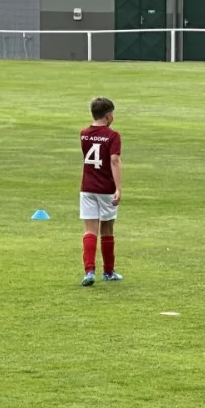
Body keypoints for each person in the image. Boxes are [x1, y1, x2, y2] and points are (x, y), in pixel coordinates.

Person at [79, 96, 122, 286]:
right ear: (109, 115)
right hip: (105, 188)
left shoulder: (84, 134)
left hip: (87, 187)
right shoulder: (113, 136)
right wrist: (118, 187)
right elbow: (114, 160)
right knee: (107, 228)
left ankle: (89, 271)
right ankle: (108, 271)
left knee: (90, 230)